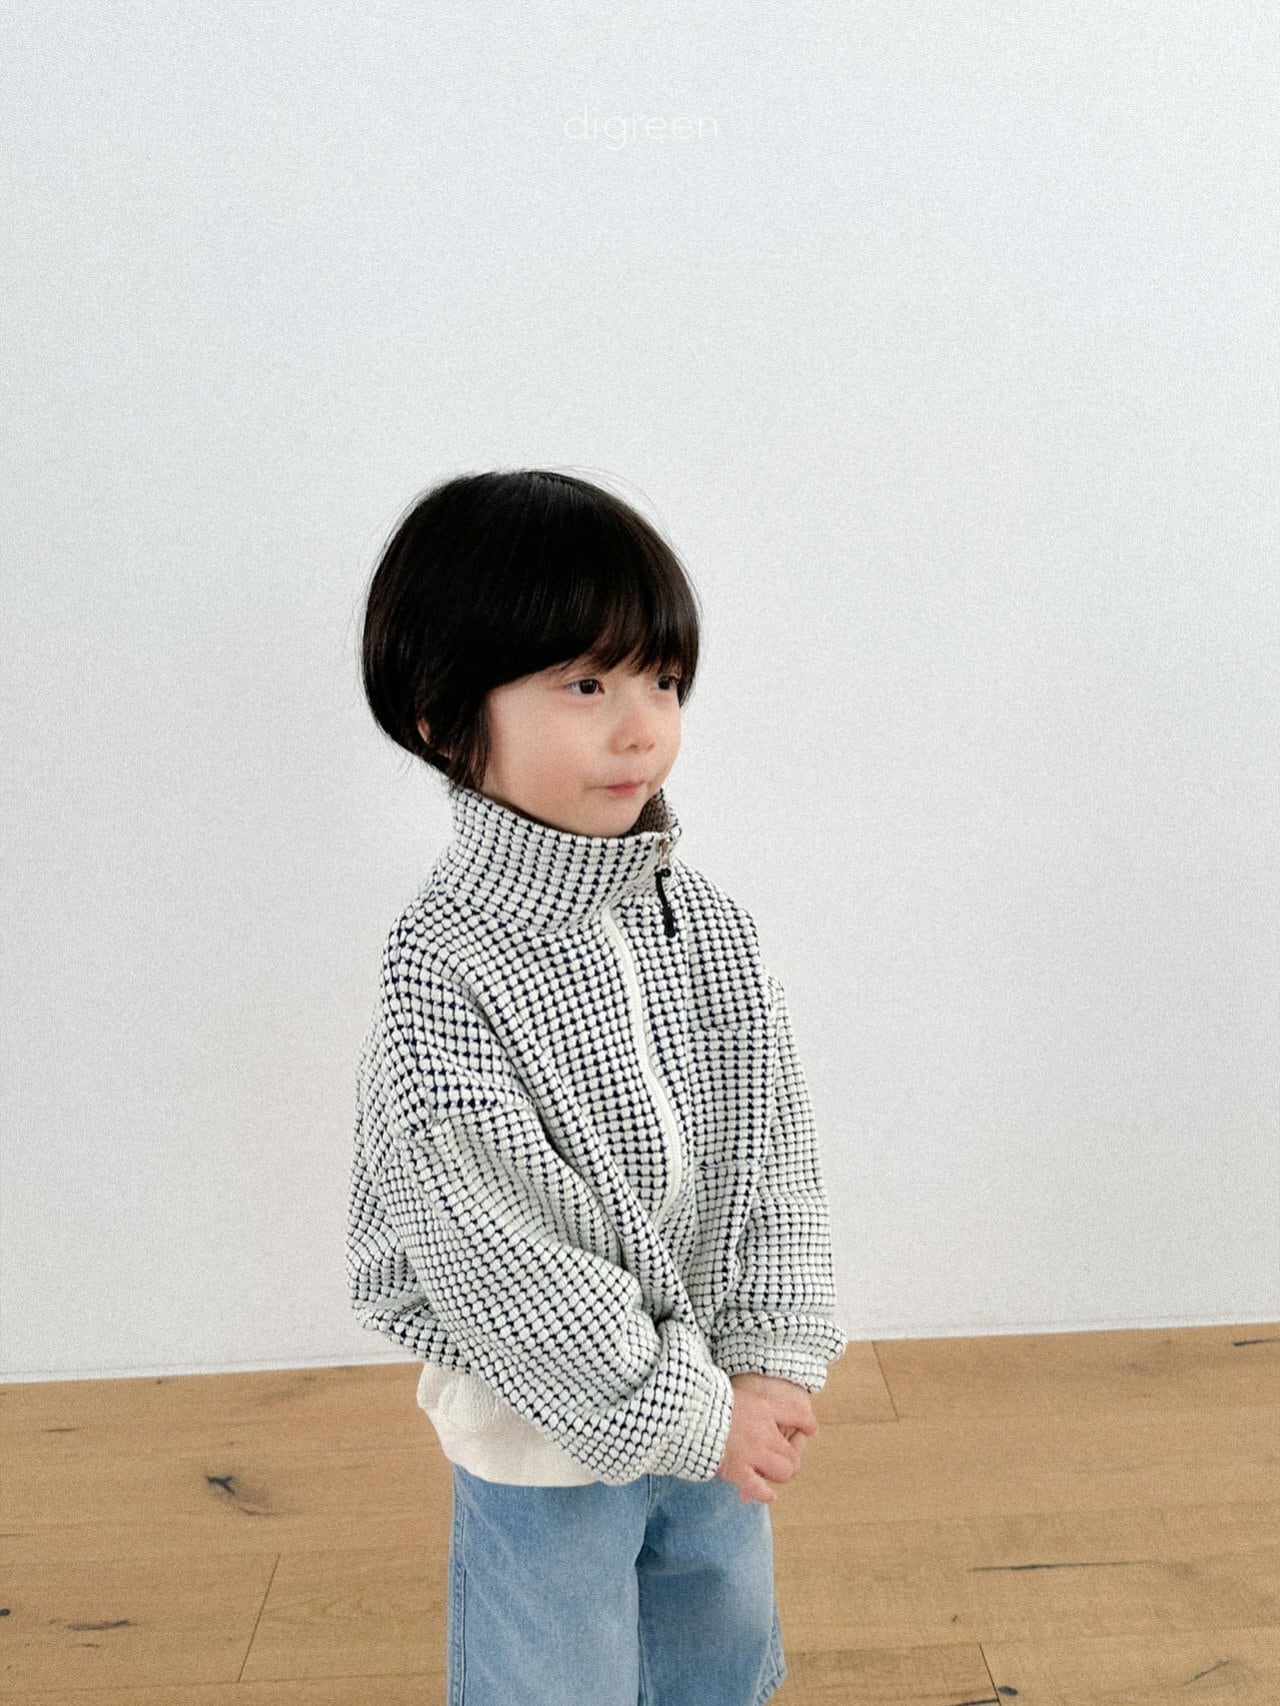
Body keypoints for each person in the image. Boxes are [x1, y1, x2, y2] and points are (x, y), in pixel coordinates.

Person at [347, 467, 848, 1705]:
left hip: (715, 1384)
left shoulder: (706, 927)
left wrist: (767, 1360)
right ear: (440, 715)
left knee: (712, 1644)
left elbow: (769, 1156)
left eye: (661, 680)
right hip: (545, 1426)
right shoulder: (443, 966)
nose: (642, 728)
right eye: (585, 685)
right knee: (552, 1665)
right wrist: (692, 1408)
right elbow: (498, 1252)